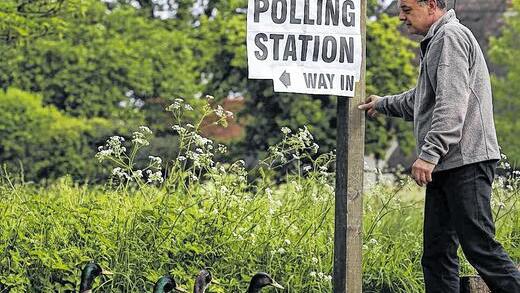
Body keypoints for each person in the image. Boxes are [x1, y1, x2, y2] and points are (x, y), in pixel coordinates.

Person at [358, 0, 520, 292]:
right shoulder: (437, 41)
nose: (400, 17)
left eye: (406, 9)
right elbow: (421, 98)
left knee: (480, 248)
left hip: (465, 161)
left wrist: (429, 154)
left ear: (431, 5)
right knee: (437, 254)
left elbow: (452, 103)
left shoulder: (449, 37)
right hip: (449, 163)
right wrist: (382, 104)